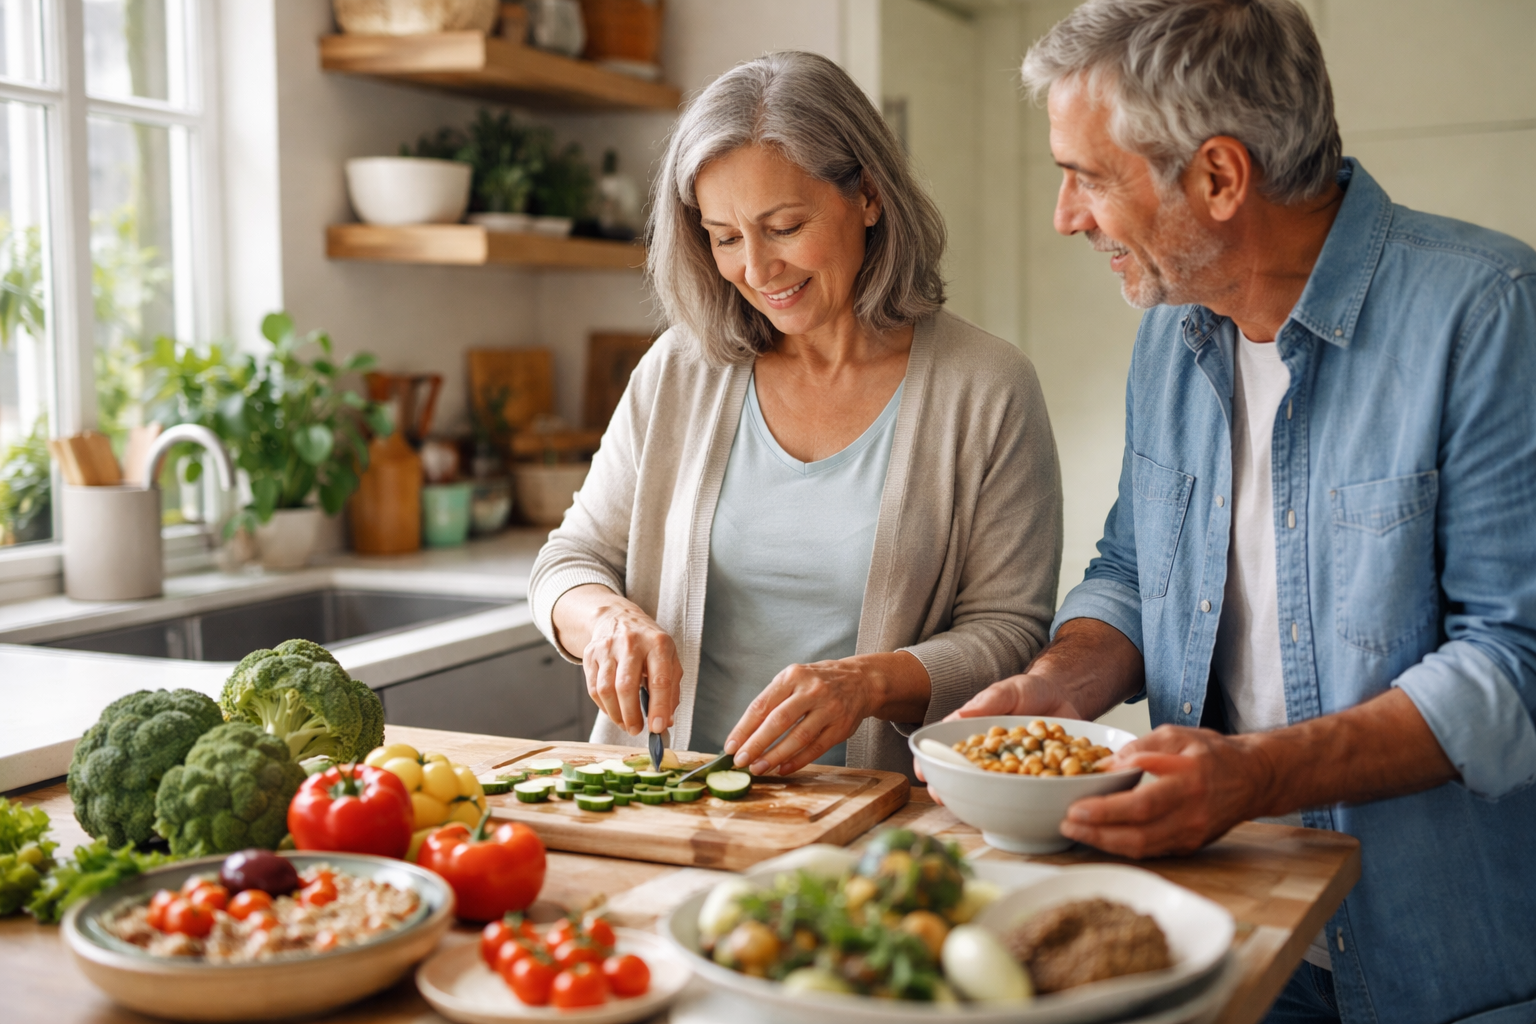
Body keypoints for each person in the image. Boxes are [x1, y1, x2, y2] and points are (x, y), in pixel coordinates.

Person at [947, 1, 1536, 1021]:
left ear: (1220, 177)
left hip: (1442, 962)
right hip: (1229, 921)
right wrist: (1053, 685)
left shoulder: (1487, 312)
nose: (1066, 214)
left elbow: (1515, 663)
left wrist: (1254, 775)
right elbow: (1133, 569)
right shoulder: (1170, 330)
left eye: (1087, 174)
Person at [529, 51, 1062, 779]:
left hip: (875, 820)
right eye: (723, 237)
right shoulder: (680, 370)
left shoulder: (988, 388)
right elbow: (567, 562)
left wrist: (868, 683)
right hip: (662, 800)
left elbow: (1010, 633)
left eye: (782, 226)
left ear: (868, 196)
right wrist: (606, 621)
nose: (756, 268)